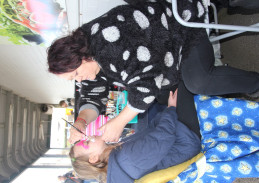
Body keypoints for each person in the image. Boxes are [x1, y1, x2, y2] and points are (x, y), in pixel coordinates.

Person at [47, 0, 259, 144]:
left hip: (180, 32)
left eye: (75, 74)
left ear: (81, 57)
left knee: (199, 81)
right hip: (164, 61)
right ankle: (233, 103)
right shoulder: (91, 57)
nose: (79, 80)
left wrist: (119, 122)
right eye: (74, 79)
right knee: (183, 122)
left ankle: (254, 84)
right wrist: (81, 121)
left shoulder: (107, 43)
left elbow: (145, 87)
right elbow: (93, 97)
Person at [69, 90, 202, 183]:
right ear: (93, 158)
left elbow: (152, 131)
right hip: (185, 138)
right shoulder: (127, 159)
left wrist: (167, 112)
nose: (87, 137)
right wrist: (171, 109)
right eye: (86, 143)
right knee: (185, 82)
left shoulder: (118, 156)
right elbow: (163, 137)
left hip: (175, 133)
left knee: (164, 92)